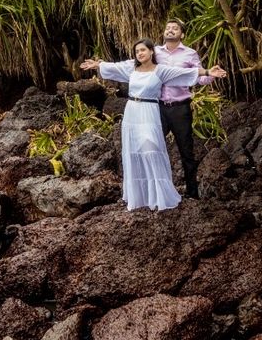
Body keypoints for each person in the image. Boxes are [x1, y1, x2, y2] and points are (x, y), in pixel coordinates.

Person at [81, 38, 227, 211]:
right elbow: (114, 67)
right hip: (132, 111)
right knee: (134, 151)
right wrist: (98, 64)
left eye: (143, 50)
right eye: (137, 51)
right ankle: (141, 197)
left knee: (151, 147)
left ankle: (159, 194)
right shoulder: (132, 68)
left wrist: (209, 72)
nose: (140, 53)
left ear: (151, 52)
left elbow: (183, 73)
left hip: (149, 110)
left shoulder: (161, 70)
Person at [155, 18, 216, 199]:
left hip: (180, 109)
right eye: (168, 28)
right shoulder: (155, 52)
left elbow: (199, 78)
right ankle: (160, 191)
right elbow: (138, 66)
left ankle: (192, 193)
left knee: (186, 151)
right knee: (155, 148)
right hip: (157, 108)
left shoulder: (190, 54)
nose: (170, 30)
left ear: (182, 34)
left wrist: (210, 75)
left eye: (175, 28)